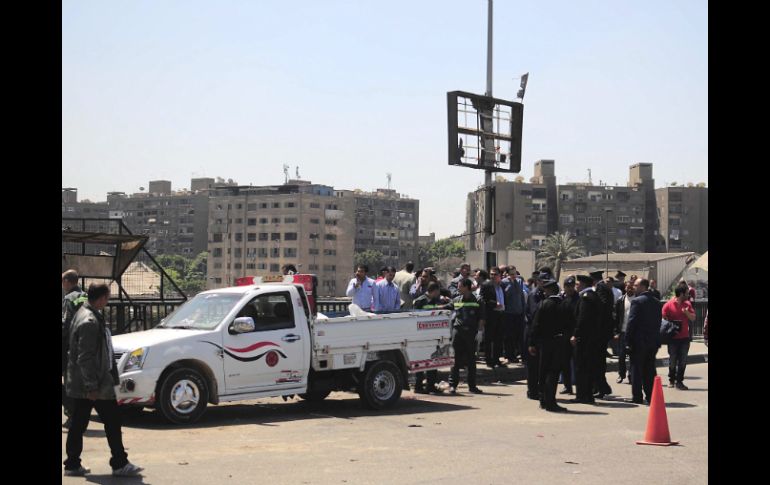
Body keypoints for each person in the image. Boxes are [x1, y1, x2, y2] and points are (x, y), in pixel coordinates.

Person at [64, 283, 143, 477]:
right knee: (112, 422)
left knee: (78, 423)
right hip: (95, 384)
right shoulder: (90, 321)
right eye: (107, 298)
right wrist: (92, 386)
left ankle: (73, 464)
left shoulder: (83, 313)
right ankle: (119, 462)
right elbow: (86, 356)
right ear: (101, 299)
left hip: (85, 382)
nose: (107, 302)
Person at [528, 279, 569, 412]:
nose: (544, 292)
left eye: (545, 290)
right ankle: (550, 401)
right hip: (558, 342)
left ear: (549, 291)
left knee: (543, 371)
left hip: (544, 343)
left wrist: (532, 343)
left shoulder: (543, 304)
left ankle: (543, 400)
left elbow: (535, 325)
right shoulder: (564, 304)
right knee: (553, 372)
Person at [625, 278, 662, 405]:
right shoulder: (657, 302)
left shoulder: (637, 301)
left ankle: (637, 396)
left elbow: (631, 323)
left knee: (636, 369)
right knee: (649, 370)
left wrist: (627, 341)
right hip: (652, 342)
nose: (633, 287)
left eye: (636, 285)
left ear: (643, 287)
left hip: (638, 342)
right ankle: (651, 396)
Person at [446, 278, 485, 394]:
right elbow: (447, 307)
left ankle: (472, 386)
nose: (458, 288)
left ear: (466, 287)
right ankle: (452, 385)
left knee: (471, 360)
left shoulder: (478, 300)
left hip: (471, 333)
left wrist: (480, 332)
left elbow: (482, 318)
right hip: (458, 332)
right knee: (455, 360)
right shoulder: (456, 299)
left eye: (460, 286)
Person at [413, 282, 450, 393]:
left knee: (433, 360)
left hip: (432, 335)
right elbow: (415, 318)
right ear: (434, 290)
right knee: (420, 361)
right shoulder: (420, 301)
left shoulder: (435, 301)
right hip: (421, 335)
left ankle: (430, 385)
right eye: (438, 291)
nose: (439, 294)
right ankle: (418, 386)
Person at [570, 274, 602, 404]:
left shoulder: (585, 298)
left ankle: (582, 395)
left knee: (581, 367)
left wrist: (576, 335)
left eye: (578, 284)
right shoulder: (594, 296)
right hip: (593, 338)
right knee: (588, 367)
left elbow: (582, 320)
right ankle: (588, 394)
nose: (576, 286)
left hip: (584, 339)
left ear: (583, 285)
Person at [62, 269, 86, 428]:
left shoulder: (69, 298)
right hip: (84, 344)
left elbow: (66, 324)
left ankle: (72, 413)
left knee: (69, 381)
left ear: (67, 281)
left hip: (69, 346)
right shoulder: (85, 296)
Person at [662, 285, 695, 390]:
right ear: (681, 294)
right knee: (672, 360)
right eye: (687, 293)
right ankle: (671, 379)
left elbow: (693, 318)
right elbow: (663, 318)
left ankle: (679, 381)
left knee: (683, 360)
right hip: (673, 338)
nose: (688, 295)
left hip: (685, 337)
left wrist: (686, 312)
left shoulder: (687, 304)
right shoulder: (668, 304)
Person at [589, 270, 614, 398]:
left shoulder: (600, 287)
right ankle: (602, 386)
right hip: (604, 330)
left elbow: (602, 306)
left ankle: (601, 387)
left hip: (600, 330)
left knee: (597, 360)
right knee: (599, 360)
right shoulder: (605, 287)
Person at [480, 267, 506, 368]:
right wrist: (495, 303)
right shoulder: (486, 285)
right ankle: (489, 360)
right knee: (489, 339)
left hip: (501, 314)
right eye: (491, 274)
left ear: (500, 275)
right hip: (491, 315)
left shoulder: (502, 285)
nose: (493, 276)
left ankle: (496, 359)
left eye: (495, 274)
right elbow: (483, 300)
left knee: (498, 339)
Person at [501, 265, 526, 363]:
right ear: (507, 274)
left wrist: (524, 310)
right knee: (509, 336)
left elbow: (521, 297)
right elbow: (503, 296)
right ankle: (509, 355)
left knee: (518, 335)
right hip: (508, 313)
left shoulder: (519, 281)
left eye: (514, 273)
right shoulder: (504, 283)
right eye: (511, 274)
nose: (513, 276)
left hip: (519, 312)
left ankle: (517, 354)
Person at [558, 276, 579, 395]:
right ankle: (567, 386)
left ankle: (581, 387)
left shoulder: (578, 299)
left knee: (577, 363)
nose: (570, 289)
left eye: (572, 286)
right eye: (567, 286)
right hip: (564, 335)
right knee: (564, 362)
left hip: (575, 335)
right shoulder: (562, 298)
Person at [613, 280, 635, 384]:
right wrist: (616, 332)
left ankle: (631, 375)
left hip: (633, 333)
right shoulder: (620, 300)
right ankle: (621, 374)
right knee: (621, 356)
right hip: (622, 332)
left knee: (633, 355)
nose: (630, 289)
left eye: (632, 287)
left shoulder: (637, 300)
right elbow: (616, 317)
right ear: (625, 288)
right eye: (628, 287)